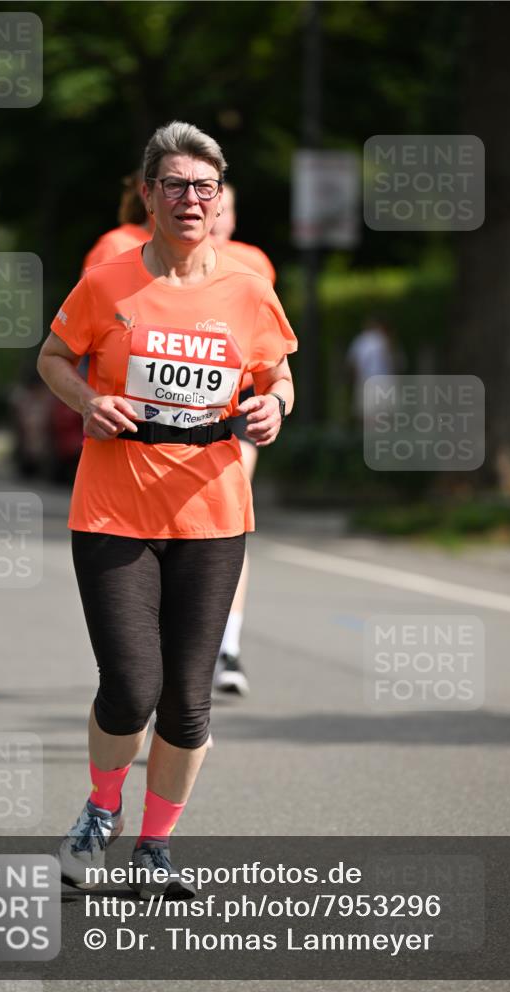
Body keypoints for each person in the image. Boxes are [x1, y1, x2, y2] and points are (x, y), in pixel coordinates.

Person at [37, 121, 297, 897]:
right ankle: (99, 808)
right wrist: (87, 399)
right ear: (147, 194)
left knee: (187, 700)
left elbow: (277, 375)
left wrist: (274, 407)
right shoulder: (107, 283)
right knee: (131, 684)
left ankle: (155, 846)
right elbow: (52, 357)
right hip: (114, 510)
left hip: (212, 515)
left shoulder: (249, 289)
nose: (192, 200)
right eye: (177, 185)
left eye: (205, 187)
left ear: (220, 200)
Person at [208, 184, 276, 695]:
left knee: (230, 511)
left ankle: (227, 647)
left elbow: (262, 337)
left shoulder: (252, 262)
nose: (216, 216)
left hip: (238, 404)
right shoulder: (159, 262)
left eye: (227, 207)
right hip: (173, 411)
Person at [82, 170, 154, 272]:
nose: (184, 197)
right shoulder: (115, 246)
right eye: (173, 185)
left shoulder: (181, 252)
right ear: (145, 192)